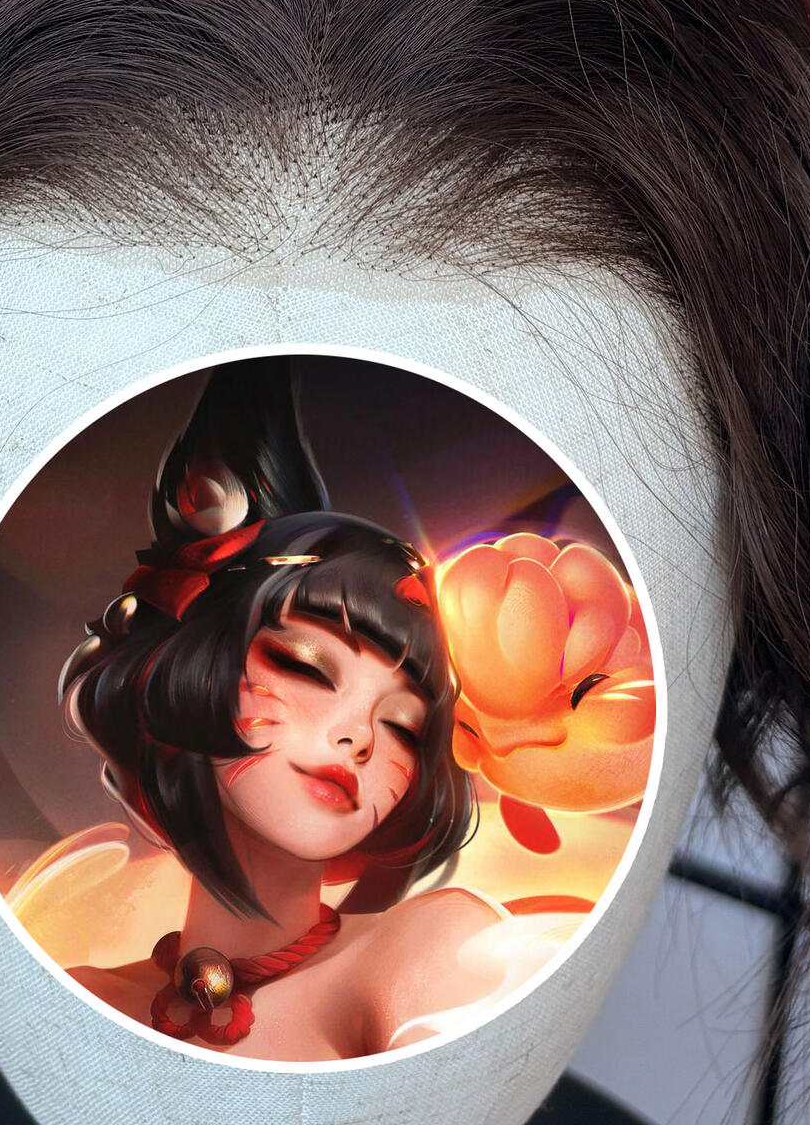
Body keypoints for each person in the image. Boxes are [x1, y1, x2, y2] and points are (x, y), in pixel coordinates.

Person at [56, 363, 523, 1058]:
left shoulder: (429, 952)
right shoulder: (81, 997)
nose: (358, 736)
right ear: (199, 664)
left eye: (402, 726)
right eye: (307, 667)